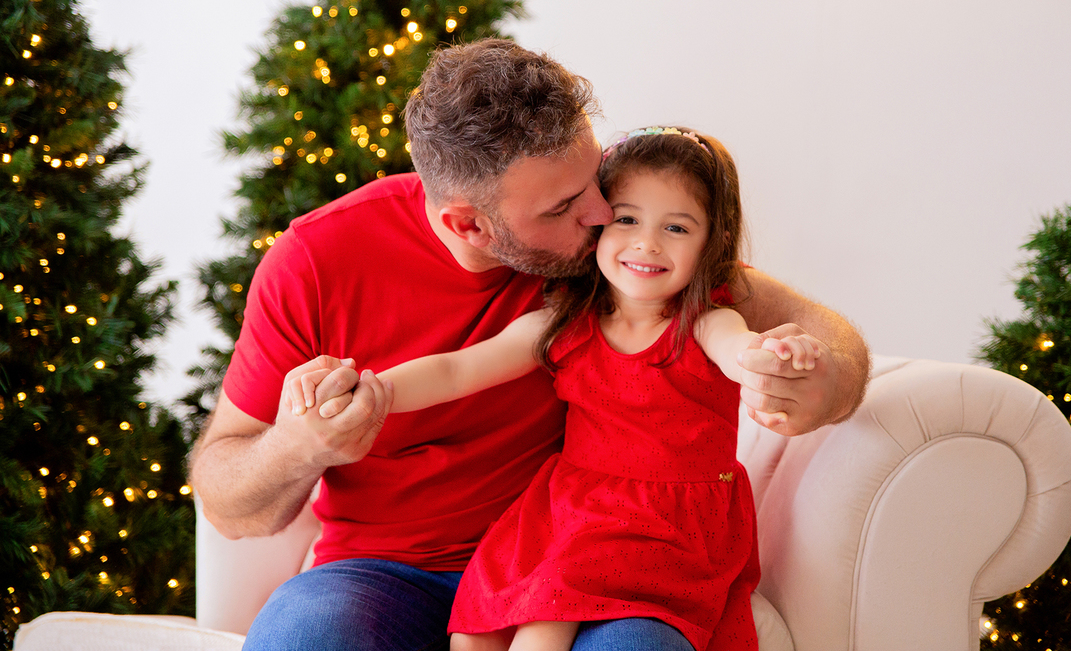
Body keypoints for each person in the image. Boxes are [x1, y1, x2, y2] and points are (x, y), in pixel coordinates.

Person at [189, 39, 871, 651]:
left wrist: (823, 380)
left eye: (594, 180)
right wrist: (300, 444)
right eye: (563, 208)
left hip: (584, 552)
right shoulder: (315, 262)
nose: (601, 215)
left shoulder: (615, 256)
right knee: (306, 636)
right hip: (385, 574)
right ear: (470, 225)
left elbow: (812, 329)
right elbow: (224, 493)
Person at [290, 126, 822, 651]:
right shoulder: (567, 323)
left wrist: (772, 355)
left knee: (542, 627)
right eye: (626, 219)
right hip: (571, 511)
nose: (647, 242)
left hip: (663, 525)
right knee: (474, 635)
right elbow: (458, 371)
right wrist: (372, 389)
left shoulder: (706, 322)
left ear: (714, 242)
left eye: (677, 228)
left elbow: (739, 351)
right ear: (597, 225)